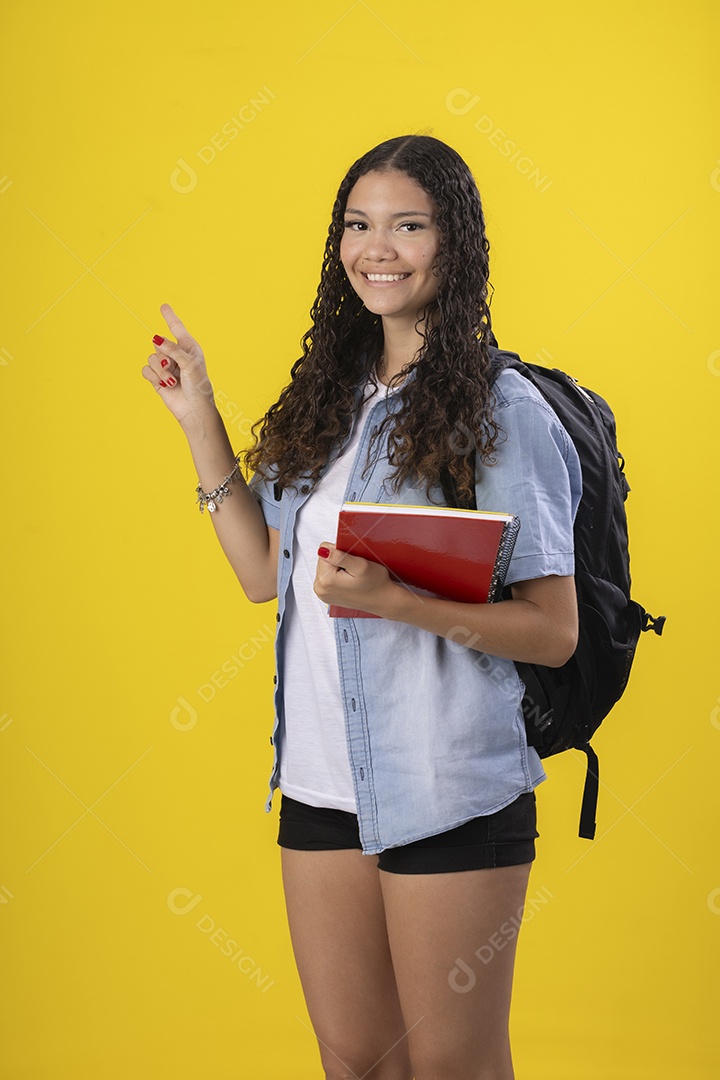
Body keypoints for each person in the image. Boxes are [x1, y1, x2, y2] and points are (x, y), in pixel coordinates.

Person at [142, 134, 582, 1080]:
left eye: (408, 225)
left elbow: (553, 630)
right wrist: (201, 420)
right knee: (357, 1065)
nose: (376, 247)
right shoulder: (330, 403)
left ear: (452, 246)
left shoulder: (503, 410)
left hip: (449, 785)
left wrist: (395, 601)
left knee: (450, 1071)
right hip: (320, 784)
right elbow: (264, 574)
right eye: (358, 224)